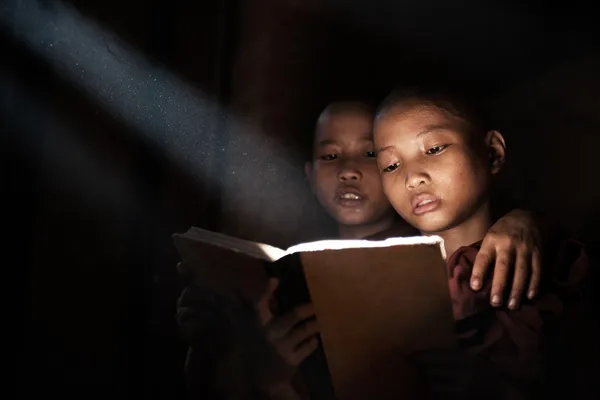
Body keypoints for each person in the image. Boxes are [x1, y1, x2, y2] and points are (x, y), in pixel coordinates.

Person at [176, 100, 545, 399]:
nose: (349, 171)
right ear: (308, 172)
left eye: (370, 155)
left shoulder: (438, 259)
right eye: (330, 156)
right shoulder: (293, 271)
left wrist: (521, 219)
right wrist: (218, 346)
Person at [371, 87, 596, 398]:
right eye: (391, 165)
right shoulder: (377, 279)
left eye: (434, 149)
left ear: (493, 152)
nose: (412, 177)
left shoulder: (555, 262)